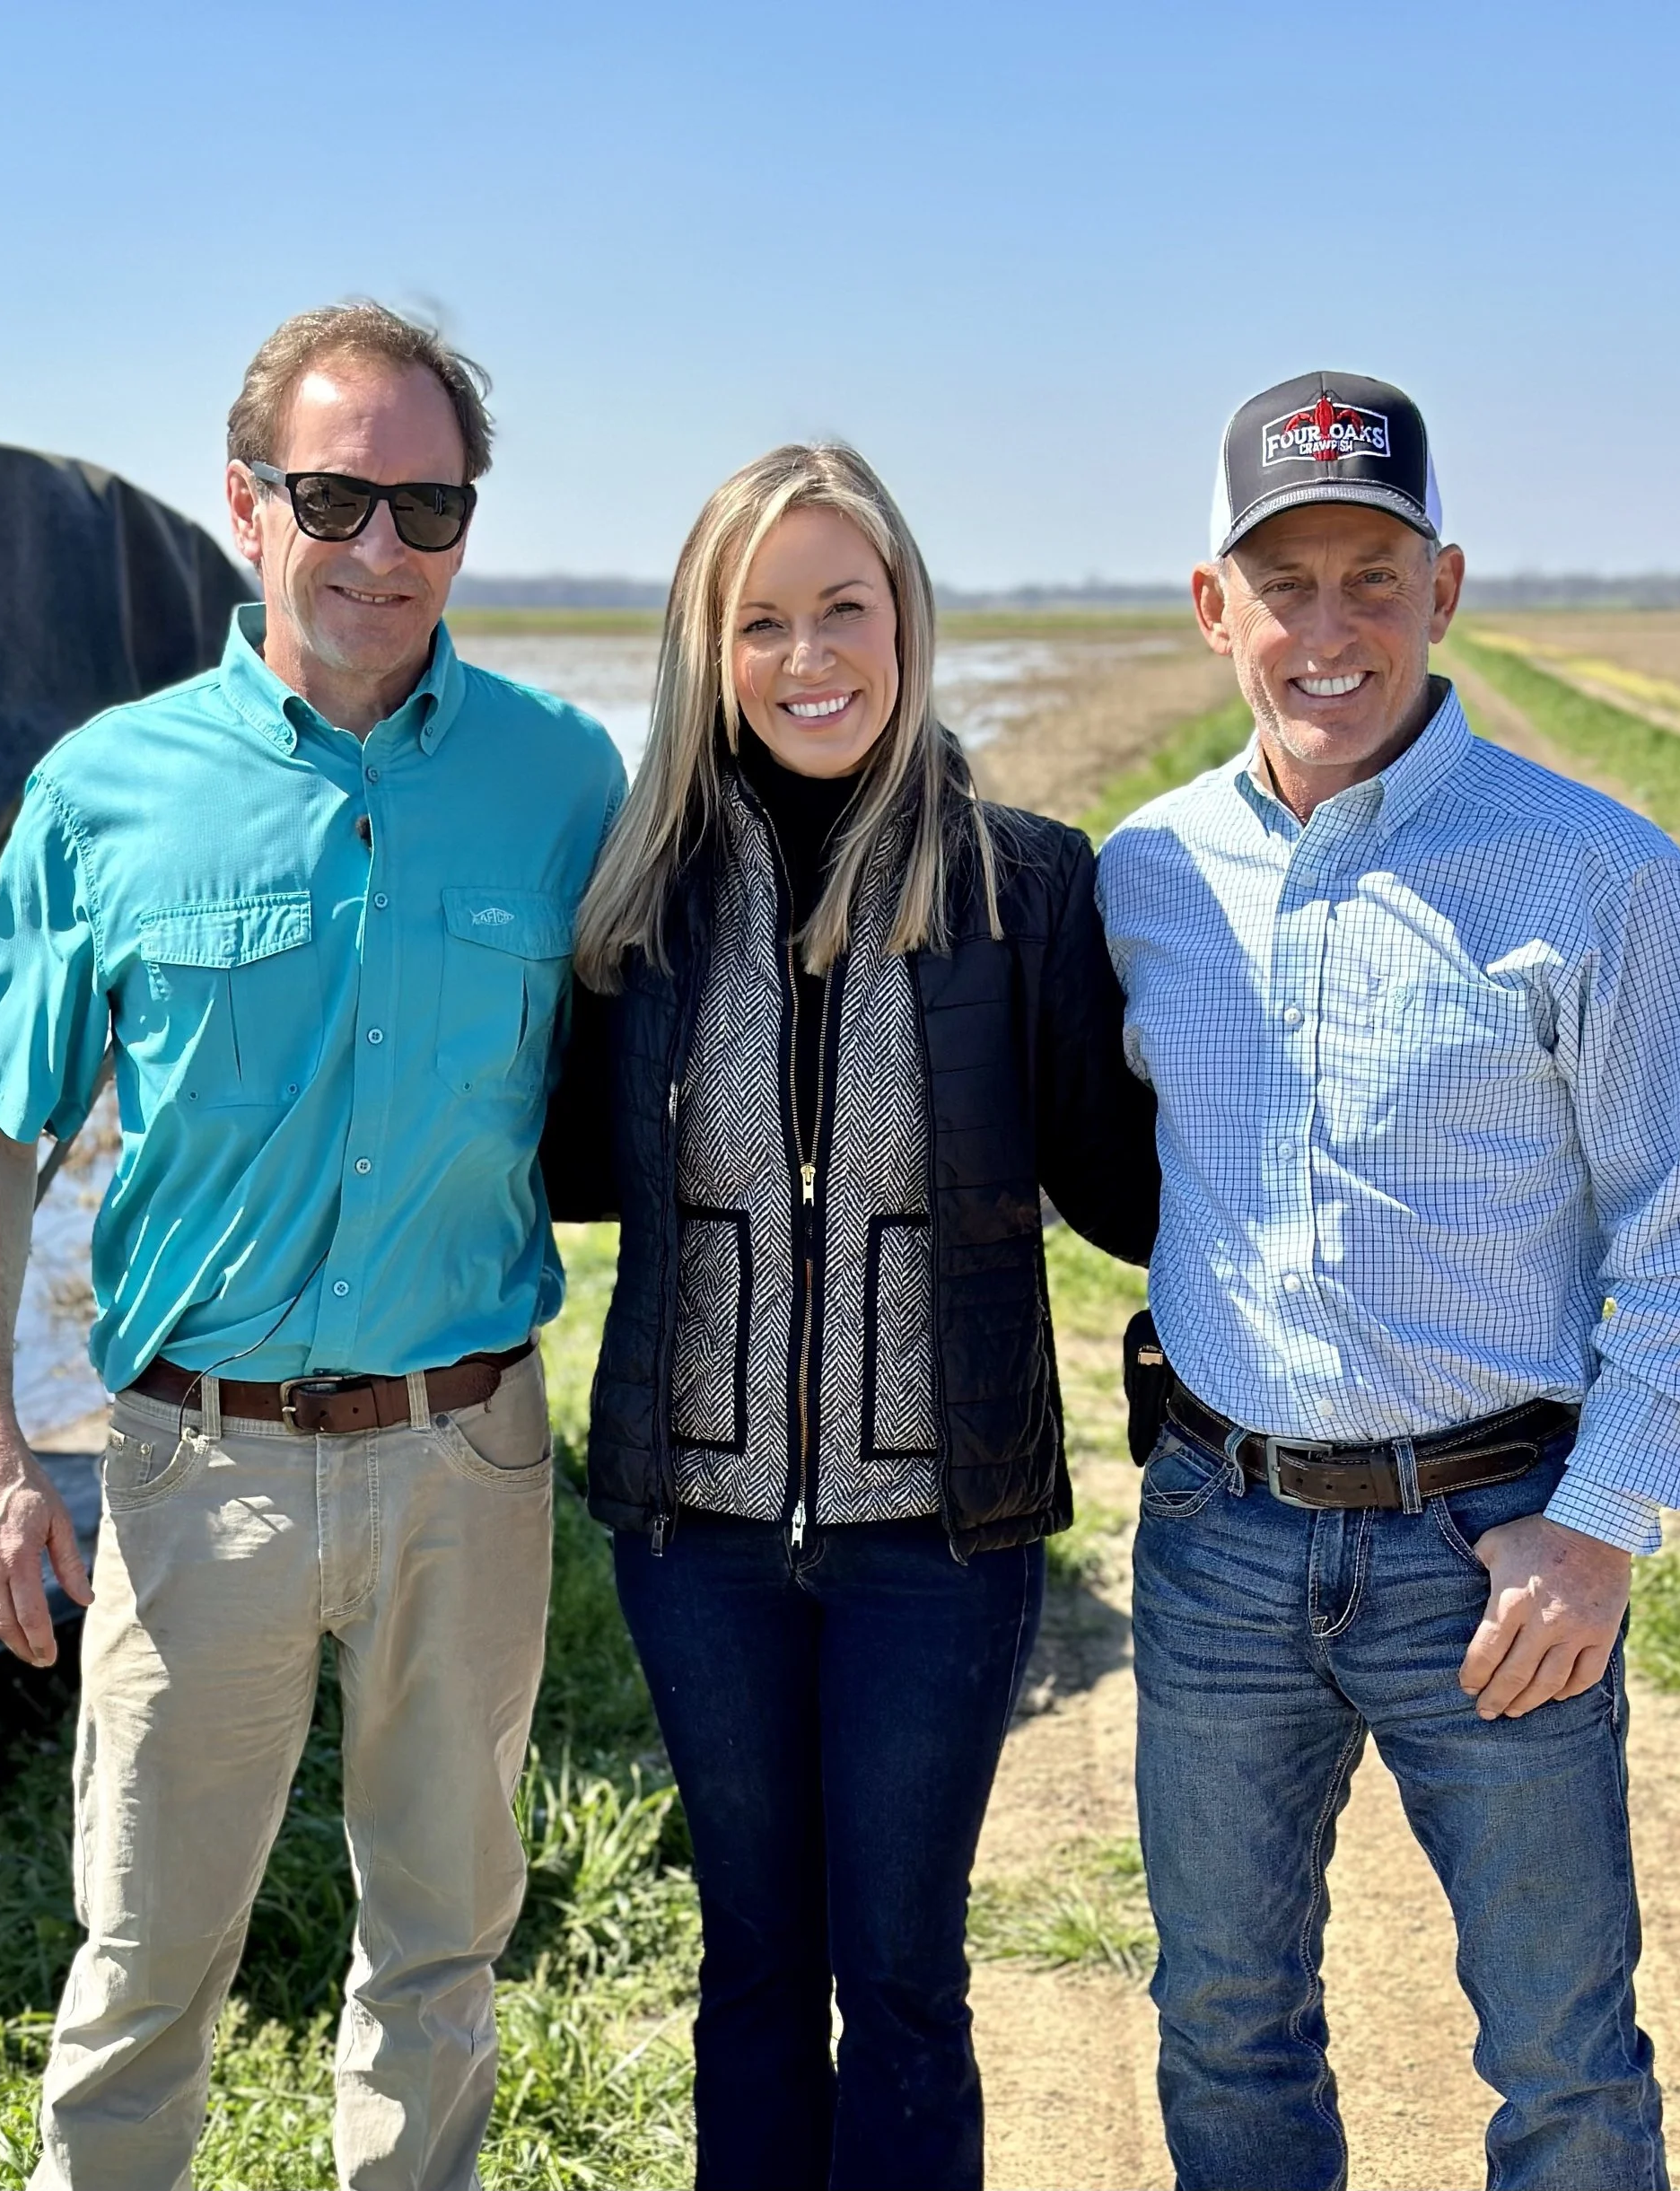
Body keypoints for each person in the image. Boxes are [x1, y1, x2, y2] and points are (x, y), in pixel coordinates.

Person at [0, 302, 625, 2191]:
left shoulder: (567, 785)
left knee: (443, 1948)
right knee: (148, 1958)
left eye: (427, 502)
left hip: (465, 1455)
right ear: (249, 505)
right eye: (335, 494)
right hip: (190, 1464)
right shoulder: (107, 792)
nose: (381, 545)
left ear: (469, 522)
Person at [1098, 371, 1680, 2190]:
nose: (1328, 632)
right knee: (1223, 2023)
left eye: (1369, 578)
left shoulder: (1594, 871)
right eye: (1284, 583)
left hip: (1492, 1554)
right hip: (1219, 1541)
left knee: (1560, 2056)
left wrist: (1604, 1521)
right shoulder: (1143, 874)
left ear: (1443, 586)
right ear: (1210, 605)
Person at [544, 442, 1160, 2190]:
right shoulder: (636, 901)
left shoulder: (1022, 886)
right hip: (697, 1539)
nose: (808, 655)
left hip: (936, 1546)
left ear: (904, 621)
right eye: (761, 620)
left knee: (897, 1983)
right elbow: (550, 1159)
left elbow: (1129, 1190)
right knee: (750, 1974)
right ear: (704, 647)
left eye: (842, 607)